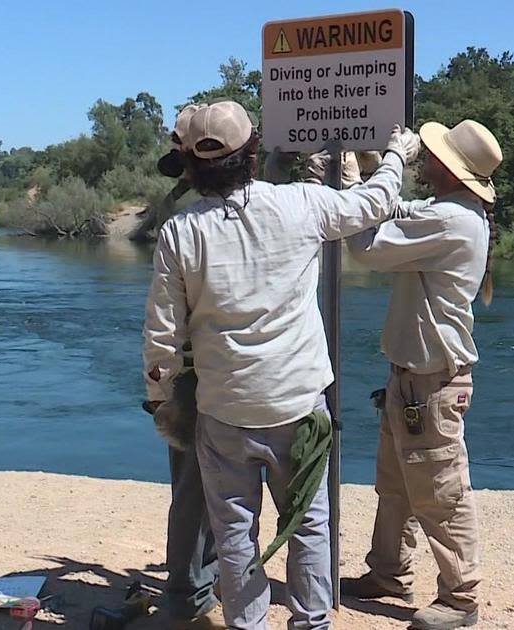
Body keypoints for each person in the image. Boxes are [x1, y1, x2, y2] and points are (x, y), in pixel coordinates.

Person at [143, 100, 420, 630]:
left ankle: (248, 625)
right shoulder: (302, 205)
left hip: (223, 409)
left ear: (192, 166)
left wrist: (160, 399)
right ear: (251, 153)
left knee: (233, 531)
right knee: (310, 524)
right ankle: (311, 622)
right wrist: (395, 155)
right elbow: (375, 202)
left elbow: (162, 332)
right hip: (298, 403)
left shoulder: (180, 232)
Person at [340, 120, 503, 630]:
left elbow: (364, 246)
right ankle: (388, 571)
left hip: (429, 383)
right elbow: (399, 210)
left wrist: (353, 185)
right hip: (415, 379)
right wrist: (375, 173)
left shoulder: (452, 219)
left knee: (440, 492)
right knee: (396, 486)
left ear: (450, 169)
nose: (426, 157)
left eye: (432, 154)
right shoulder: (454, 213)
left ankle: (461, 597)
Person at [141, 103, 222, 630]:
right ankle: (190, 590)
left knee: (195, 488)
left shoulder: (185, 228)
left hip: (193, 373)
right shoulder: (200, 226)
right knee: (198, 488)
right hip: (207, 374)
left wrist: (157, 385)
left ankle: (194, 585)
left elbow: (162, 323)